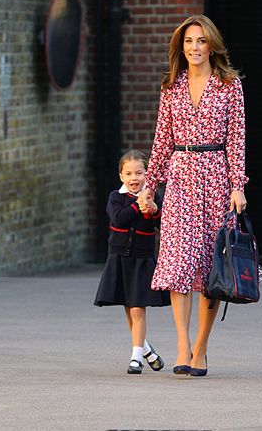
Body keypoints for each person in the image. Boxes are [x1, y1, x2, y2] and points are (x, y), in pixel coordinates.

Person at [137, 14, 248, 377]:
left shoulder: (229, 85)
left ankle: (201, 346)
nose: (194, 48)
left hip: (216, 176)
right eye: (188, 41)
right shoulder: (171, 87)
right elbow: (161, 141)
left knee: (210, 268)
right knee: (177, 264)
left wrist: (237, 186)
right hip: (181, 177)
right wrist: (149, 185)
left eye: (201, 41)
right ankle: (182, 347)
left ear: (212, 45)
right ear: (180, 47)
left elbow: (237, 139)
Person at [94, 150, 171, 375]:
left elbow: (164, 224)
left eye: (139, 172)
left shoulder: (153, 196)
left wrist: (155, 210)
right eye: (128, 173)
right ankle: (147, 351)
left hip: (142, 259)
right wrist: (138, 205)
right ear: (121, 176)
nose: (134, 178)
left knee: (138, 309)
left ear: (147, 174)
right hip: (119, 258)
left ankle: (136, 358)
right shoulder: (115, 197)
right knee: (129, 309)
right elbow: (118, 218)